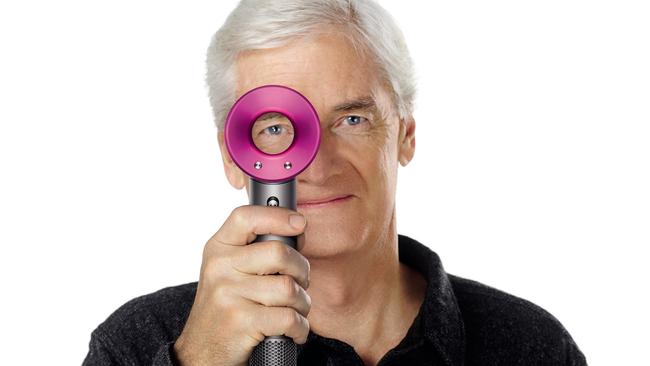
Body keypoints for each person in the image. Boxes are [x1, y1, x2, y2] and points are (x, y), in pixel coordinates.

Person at [82, 1, 587, 365]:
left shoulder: (530, 347)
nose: (319, 166)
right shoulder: (137, 343)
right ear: (233, 156)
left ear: (405, 137)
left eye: (352, 121)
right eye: (276, 129)